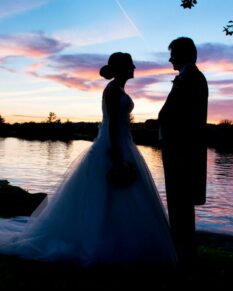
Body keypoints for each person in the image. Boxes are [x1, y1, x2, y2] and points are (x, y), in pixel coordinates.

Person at [0, 52, 177, 267]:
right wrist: (117, 155)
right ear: (122, 68)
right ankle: (99, 241)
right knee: (104, 194)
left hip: (123, 143)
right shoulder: (112, 90)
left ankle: (119, 238)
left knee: (121, 196)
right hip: (114, 145)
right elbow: (111, 124)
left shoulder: (118, 89)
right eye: (131, 64)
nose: (135, 68)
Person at [158, 37, 208, 270]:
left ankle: (184, 255)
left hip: (182, 153)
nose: (170, 59)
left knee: (181, 203)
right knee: (179, 204)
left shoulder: (191, 78)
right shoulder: (189, 77)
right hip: (179, 151)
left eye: (173, 54)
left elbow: (181, 116)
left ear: (183, 54)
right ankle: (182, 251)